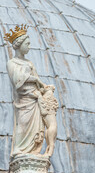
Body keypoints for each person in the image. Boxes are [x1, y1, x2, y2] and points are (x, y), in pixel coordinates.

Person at [5, 25, 58, 157]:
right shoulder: (12, 63)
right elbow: (17, 80)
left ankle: (30, 149)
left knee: (33, 128)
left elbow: (39, 82)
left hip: (34, 99)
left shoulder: (29, 63)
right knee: (22, 123)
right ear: (19, 44)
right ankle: (19, 148)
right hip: (23, 99)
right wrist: (34, 79)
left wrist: (44, 87)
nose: (29, 47)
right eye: (27, 44)